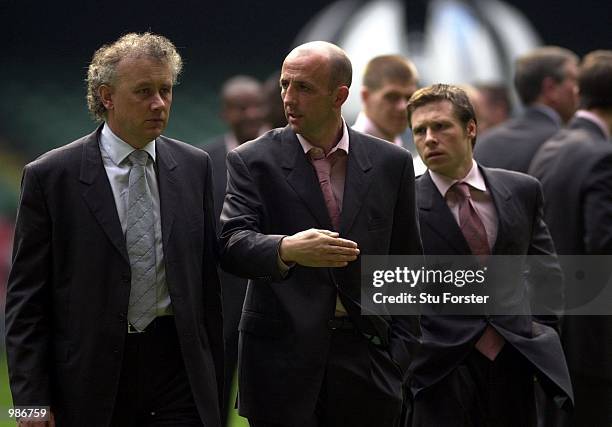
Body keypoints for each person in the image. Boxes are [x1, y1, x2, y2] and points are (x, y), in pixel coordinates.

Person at [5, 33, 223, 427]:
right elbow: (25, 303)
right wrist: (29, 407)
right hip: (88, 377)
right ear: (106, 96)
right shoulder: (50, 176)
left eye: (165, 90)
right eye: (144, 91)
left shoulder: (196, 166)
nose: (159, 103)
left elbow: (207, 285)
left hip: (178, 372)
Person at [219, 41, 422, 427]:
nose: (288, 99)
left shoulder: (390, 163)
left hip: (370, 360)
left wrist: (400, 354)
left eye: (304, 88)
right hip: (279, 365)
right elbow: (231, 244)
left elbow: (406, 260)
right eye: (284, 86)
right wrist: (287, 248)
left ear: (339, 95)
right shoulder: (251, 159)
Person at [408, 84, 573, 426]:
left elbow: (546, 271)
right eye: (419, 130)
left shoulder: (521, 189)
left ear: (471, 128)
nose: (429, 138)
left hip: (513, 358)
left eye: (441, 126)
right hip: (439, 368)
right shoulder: (403, 201)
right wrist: (409, 355)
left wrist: (538, 331)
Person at [529, 50, 612, 427]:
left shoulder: (551, 148)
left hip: (556, 330)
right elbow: (603, 244)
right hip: (596, 339)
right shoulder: (602, 155)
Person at [202, 74, 265, 426]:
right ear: (226, 112)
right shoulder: (203, 162)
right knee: (214, 395)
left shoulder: (281, 155)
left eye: (257, 104)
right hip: (221, 301)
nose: (252, 113)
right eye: (242, 107)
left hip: (273, 296)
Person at [474, 46, 579, 173]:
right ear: (550, 88)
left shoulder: (484, 142)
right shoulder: (567, 144)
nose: (579, 90)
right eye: (575, 80)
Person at [352, 54, 426, 175]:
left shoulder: (408, 157)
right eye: (392, 97)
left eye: (409, 97)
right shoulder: (347, 155)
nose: (403, 106)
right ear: (365, 96)